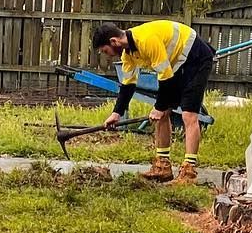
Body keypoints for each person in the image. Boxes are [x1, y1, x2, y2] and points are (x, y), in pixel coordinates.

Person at [92, 19, 215, 183]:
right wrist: (117, 113)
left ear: (114, 41)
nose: (107, 55)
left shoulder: (146, 40)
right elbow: (127, 86)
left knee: (189, 114)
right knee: (162, 113)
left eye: (105, 50)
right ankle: (162, 167)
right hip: (176, 64)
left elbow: (166, 79)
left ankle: (188, 172)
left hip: (196, 56)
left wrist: (159, 107)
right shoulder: (128, 54)